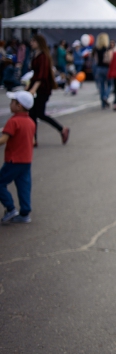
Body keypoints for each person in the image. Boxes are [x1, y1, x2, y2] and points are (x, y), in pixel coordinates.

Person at [0, 91, 36, 224]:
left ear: (19, 106)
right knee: (24, 186)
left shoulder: (13, 121)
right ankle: (25, 212)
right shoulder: (31, 122)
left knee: (0, 183)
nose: (10, 105)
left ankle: (10, 208)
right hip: (26, 160)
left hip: (13, 160)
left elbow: (4, 139)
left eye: (12, 102)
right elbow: (32, 141)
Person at [27, 35, 69, 146]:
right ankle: (33, 139)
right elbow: (35, 74)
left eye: (33, 41)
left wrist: (33, 89)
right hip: (36, 87)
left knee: (38, 113)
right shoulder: (36, 55)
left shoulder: (43, 57)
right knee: (33, 114)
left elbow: (41, 75)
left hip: (42, 89)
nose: (31, 43)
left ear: (39, 42)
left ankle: (62, 129)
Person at [94, 33, 112, 109]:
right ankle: (105, 96)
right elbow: (110, 60)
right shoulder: (108, 49)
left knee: (101, 86)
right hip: (106, 68)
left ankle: (103, 103)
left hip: (99, 68)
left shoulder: (96, 49)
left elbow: (96, 60)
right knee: (110, 84)